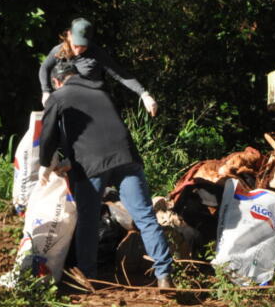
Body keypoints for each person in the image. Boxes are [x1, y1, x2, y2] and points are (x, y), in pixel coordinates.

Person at [38, 62, 175, 289]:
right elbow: (101, 130)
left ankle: (89, 279)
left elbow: (48, 133)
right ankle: (164, 275)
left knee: (88, 221)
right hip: (126, 158)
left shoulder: (59, 96)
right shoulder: (101, 90)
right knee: (145, 217)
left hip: (91, 165)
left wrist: (45, 164)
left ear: (56, 81)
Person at [38, 17, 158, 117]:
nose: (78, 50)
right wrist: (46, 91)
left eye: (83, 46)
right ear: (69, 35)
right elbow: (44, 68)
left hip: (89, 106)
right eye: (76, 45)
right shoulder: (59, 50)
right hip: (66, 105)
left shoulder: (97, 53)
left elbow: (121, 75)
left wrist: (145, 95)